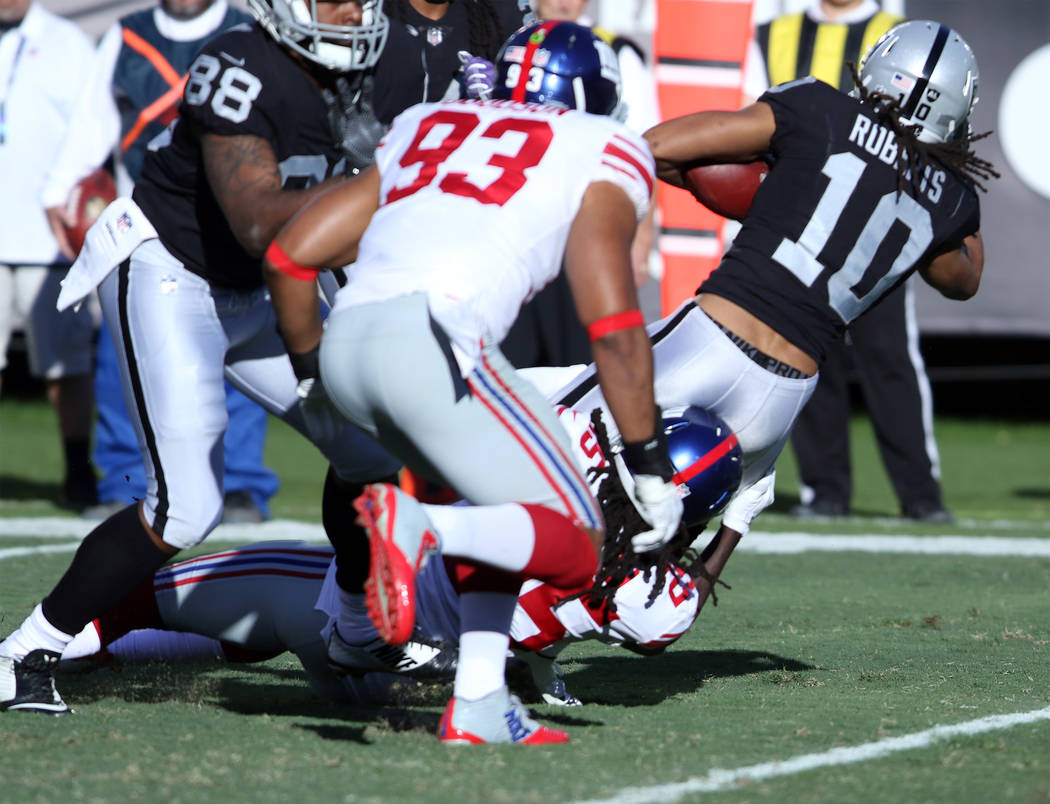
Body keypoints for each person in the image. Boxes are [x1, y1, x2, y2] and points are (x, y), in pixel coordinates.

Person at [262, 20, 683, 744]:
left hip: (348, 339)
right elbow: (613, 323)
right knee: (579, 541)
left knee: (506, 509)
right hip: (432, 342)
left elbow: (290, 257)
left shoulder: (430, 122)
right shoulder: (600, 144)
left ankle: (480, 700)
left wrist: (312, 378)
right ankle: (420, 529)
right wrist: (648, 466)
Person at [0, 0, 406, 718]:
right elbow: (255, 221)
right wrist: (385, 188)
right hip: (172, 273)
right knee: (186, 507)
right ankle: (22, 654)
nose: (352, 11)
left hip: (259, 289)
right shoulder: (239, 64)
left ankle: (353, 630)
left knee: (371, 450)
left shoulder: (366, 69)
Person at [551, 19, 993, 610]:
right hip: (782, 398)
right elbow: (964, 278)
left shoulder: (819, 107)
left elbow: (655, 147)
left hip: (712, 338)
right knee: (648, 545)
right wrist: (943, 163)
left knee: (540, 432)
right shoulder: (951, 201)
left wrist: (759, 195)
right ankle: (570, 628)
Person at [58, 401, 754, 708]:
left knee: (140, 601)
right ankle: (113, 651)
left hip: (352, 612)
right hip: (424, 684)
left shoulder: (571, 443)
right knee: (250, 632)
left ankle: (56, 651)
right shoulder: (656, 601)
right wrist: (731, 530)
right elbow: (669, 612)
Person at [40, 0, 279, 525]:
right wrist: (60, 192)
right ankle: (126, 479)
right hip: (145, 233)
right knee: (122, 362)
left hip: (233, 227)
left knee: (241, 355)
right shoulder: (128, 37)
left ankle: (239, 483)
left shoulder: (251, 33)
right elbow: (92, 123)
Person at [744, 0, 954, 524]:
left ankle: (921, 494)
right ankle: (825, 489)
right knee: (808, 353)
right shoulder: (773, 34)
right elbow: (753, 118)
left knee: (889, 357)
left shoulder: (897, 33)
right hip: (802, 223)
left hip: (881, 224)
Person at [500, 0, 659, 368]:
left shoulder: (616, 52)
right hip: (514, 228)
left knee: (580, 365)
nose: (564, 1)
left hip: (580, 226)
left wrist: (639, 239)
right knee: (514, 363)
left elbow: (642, 150)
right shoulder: (509, 42)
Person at [0, 0, 98, 509]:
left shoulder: (67, 43)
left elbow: (93, 130)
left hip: (49, 238)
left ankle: (78, 471)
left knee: (66, 365)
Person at [371, 0, 530, 125]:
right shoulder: (375, 17)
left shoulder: (485, 20)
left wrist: (497, 97)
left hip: (455, 149)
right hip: (386, 146)